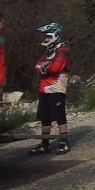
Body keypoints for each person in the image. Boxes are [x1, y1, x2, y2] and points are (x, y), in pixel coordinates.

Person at [29, 23, 70, 155]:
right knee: (44, 117)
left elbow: (55, 67)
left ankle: (64, 142)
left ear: (56, 36)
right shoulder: (47, 51)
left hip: (57, 87)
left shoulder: (63, 50)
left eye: (48, 36)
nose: (46, 39)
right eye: (45, 37)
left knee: (59, 115)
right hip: (44, 87)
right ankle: (45, 144)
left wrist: (45, 67)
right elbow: (37, 66)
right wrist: (44, 67)